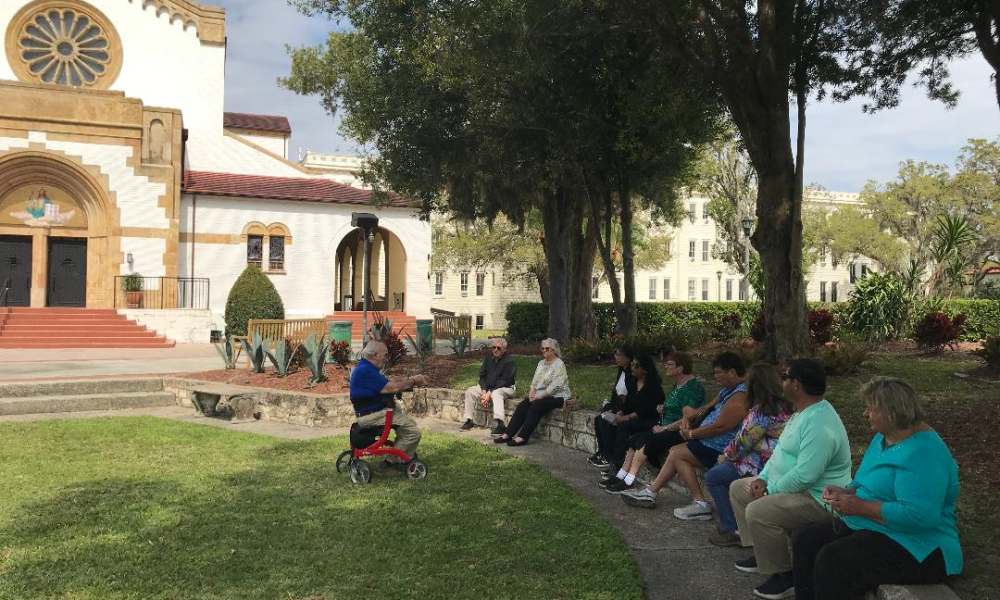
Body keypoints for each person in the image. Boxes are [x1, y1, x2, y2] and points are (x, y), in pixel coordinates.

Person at [792, 377, 961, 600]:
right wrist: (847, 492)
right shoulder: (884, 437)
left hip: (921, 547)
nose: (865, 414)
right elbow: (864, 481)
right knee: (805, 540)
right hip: (877, 526)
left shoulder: (923, 454)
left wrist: (859, 506)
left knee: (835, 560)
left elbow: (920, 517)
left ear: (893, 412)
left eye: (871, 408)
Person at [729, 358, 851, 600]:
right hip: (790, 487)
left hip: (820, 498)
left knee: (759, 510)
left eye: (785, 377)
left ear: (796, 384)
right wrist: (762, 478)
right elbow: (780, 452)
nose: (781, 381)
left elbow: (807, 475)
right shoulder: (801, 413)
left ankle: (785, 577)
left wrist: (770, 490)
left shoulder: (820, 422)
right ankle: (763, 553)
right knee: (738, 489)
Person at [619, 351, 750, 511]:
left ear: (731, 372)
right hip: (704, 439)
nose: (715, 376)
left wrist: (691, 434)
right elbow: (706, 408)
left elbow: (721, 427)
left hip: (718, 447)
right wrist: (689, 416)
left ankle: (657, 493)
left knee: (676, 453)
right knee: (675, 452)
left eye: (717, 372)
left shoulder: (739, 397)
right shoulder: (727, 390)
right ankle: (656, 493)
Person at [705, 363, 791, 547]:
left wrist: (725, 456)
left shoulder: (763, 411)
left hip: (761, 465)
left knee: (713, 476)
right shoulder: (785, 405)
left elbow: (744, 442)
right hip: (774, 460)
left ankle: (732, 528)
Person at [600, 351, 705, 492]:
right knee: (634, 441)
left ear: (680, 368)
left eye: (670, 364)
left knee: (644, 441)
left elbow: (690, 417)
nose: (666, 367)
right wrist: (664, 408)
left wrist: (666, 428)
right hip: (664, 426)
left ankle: (630, 480)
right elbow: (677, 408)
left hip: (679, 430)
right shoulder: (677, 385)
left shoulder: (693, 388)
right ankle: (621, 476)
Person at [349, 340, 427, 466]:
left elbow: (390, 381)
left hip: (374, 412)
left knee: (406, 422)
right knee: (413, 432)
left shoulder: (366, 368)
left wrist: (406, 379)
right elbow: (393, 388)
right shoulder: (366, 371)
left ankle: (401, 451)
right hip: (373, 415)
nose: (386, 358)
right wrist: (414, 380)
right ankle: (391, 463)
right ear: (375, 355)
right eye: (385, 355)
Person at [590, 352, 663, 472]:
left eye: (636, 366)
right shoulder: (633, 382)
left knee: (624, 426)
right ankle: (605, 454)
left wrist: (626, 418)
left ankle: (617, 464)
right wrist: (620, 412)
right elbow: (628, 403)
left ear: (645, 369)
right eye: (632, 365)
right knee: (601, 419)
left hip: (649, 419)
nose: (632, 368)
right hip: (635, 416)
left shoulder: (653, 387)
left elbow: (646, 410)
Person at [494, 338, 571, 446]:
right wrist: (531, 393)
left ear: (554, 350)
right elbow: (535, 381)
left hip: (558, 396)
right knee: (524, 405)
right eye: (542, 348)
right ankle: (508, 434)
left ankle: (522, 437)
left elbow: (555, 386)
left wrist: (539, 397)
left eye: (547, 348)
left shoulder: (559, 364)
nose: (544, 350)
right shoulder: (541, 363)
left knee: (536, 406)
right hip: (540, 395)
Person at [587, 345, 637, 469]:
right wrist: (611, 408)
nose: (617, 358)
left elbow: (631, 398)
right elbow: (616, 394)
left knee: (607, 422)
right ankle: (602, 452)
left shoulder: (632, 374)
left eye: (620, 355)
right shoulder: (621, 371)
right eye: (616, 355)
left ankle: (608, 456)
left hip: (627, 411)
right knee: (599, 419)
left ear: (629, 357)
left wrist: (619, 411)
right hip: (617, 408)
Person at [459, 337, 517, 434]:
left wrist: (489, 394)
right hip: (488, 388)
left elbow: (504, 381)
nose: (495, 350)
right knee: (470, 391)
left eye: (499, 348)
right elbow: (482, 376)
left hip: (506, 388)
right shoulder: (488, 358)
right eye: (494, 347)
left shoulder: (510, 361)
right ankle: (469, 420)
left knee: (496, 394)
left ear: (504, 350)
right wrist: (484, 392)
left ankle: (500, 424)